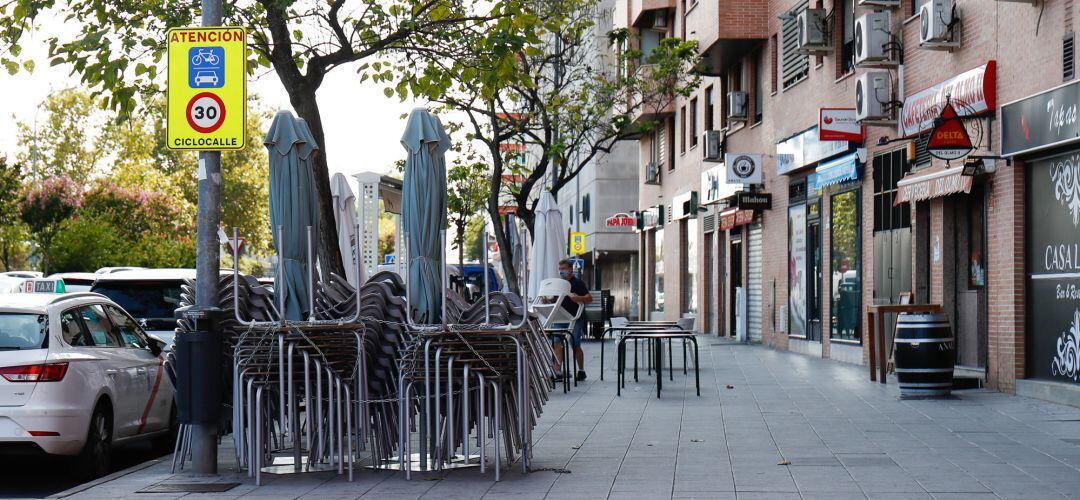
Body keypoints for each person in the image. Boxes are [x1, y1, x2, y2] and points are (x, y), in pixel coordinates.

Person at [552, 259, 592, 382]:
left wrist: (578, 297)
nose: (561, 271)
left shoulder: (577, 283)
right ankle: (558, 371)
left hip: (575, 318)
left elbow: (589, 298)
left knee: (575, 344)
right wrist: (547, 300)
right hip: (560, 316)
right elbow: (554, 299)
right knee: (557, 342)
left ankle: (581, 370)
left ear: (570, 269)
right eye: (560, 269)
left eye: (563, 269)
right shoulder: (559, 284)